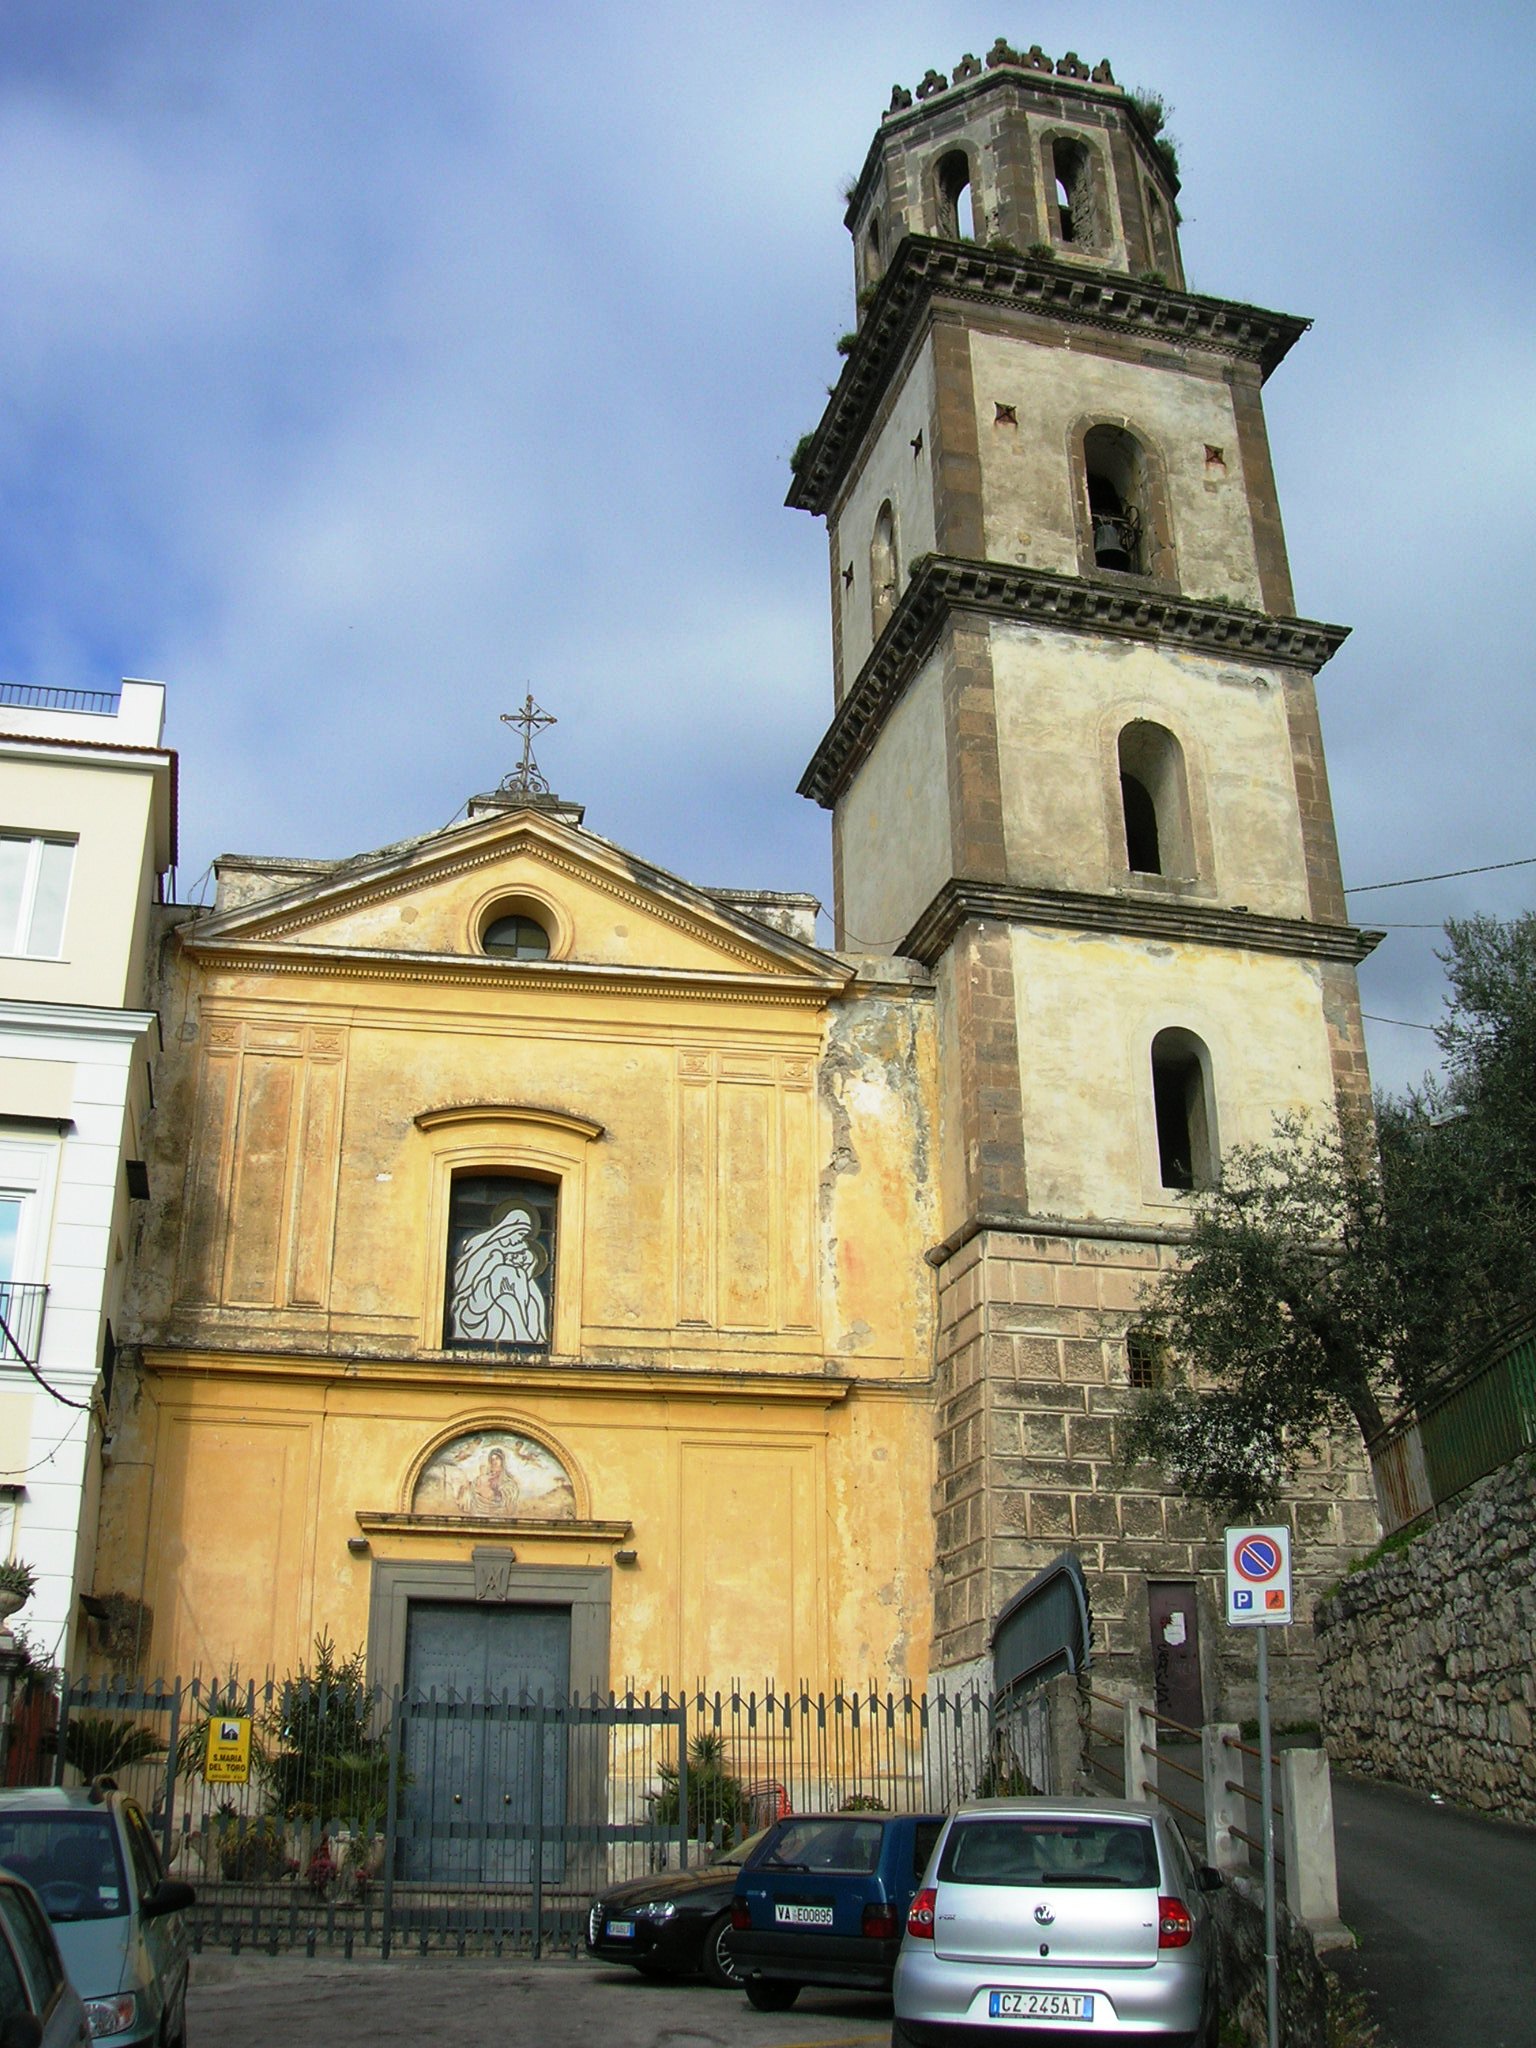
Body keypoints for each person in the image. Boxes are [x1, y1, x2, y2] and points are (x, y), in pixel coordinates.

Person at [449, 1205, 548, 1345]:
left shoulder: (521, 1250)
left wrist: (526, 1264)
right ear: (509, 1229)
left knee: (522, 1286)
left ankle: (524, 1333)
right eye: (519, 1234)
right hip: (478, 1303)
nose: (520, 1240)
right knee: (504, 1273)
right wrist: (497, 1263)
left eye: (523, 1236)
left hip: (506, 1298)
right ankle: (520, 1329)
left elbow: (528, 1268)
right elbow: (469, 1276)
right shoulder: (485, 1248)